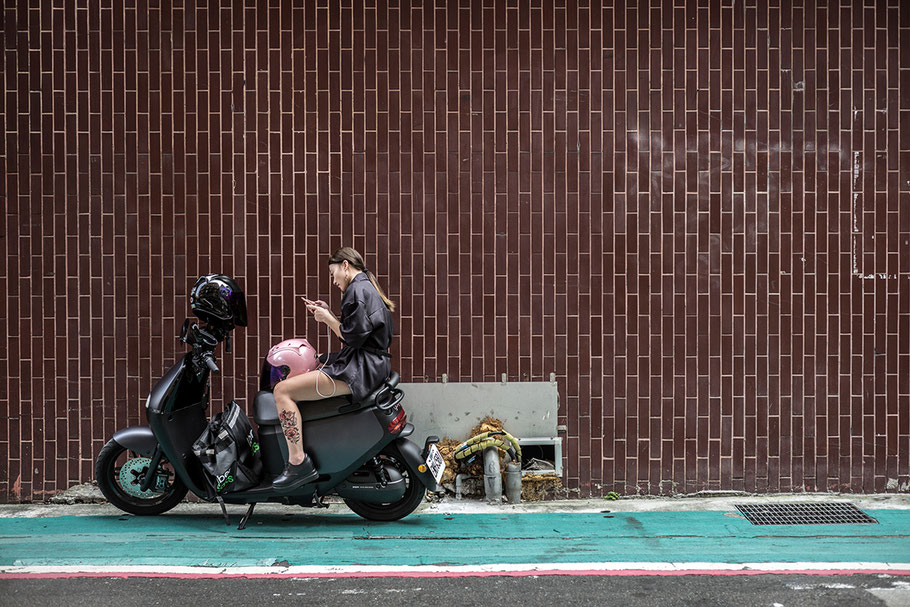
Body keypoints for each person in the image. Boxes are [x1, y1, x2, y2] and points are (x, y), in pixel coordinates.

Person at [271, 247, 396, 492]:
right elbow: (357, 331)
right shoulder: (365, 288)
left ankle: (298, 462)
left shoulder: (356, 290)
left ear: (346, 266)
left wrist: (327, 319)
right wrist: (328, 311)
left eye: (333, 273)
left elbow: (352, 338)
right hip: (370, 365)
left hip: (361, 369)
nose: (333, 279)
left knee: (282, 391)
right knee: (316, 363)